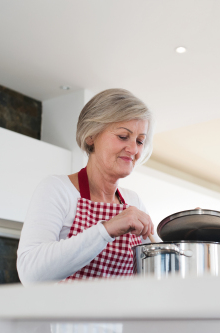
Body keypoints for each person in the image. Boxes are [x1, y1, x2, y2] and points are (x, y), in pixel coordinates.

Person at [17, 88, 156, 284]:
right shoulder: (57, 189)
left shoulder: (134, 202)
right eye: (123, 137)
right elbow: (30, 273)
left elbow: (157, 272)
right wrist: (107, 229)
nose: (134, 149)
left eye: (140, 141)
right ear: (91, 136)